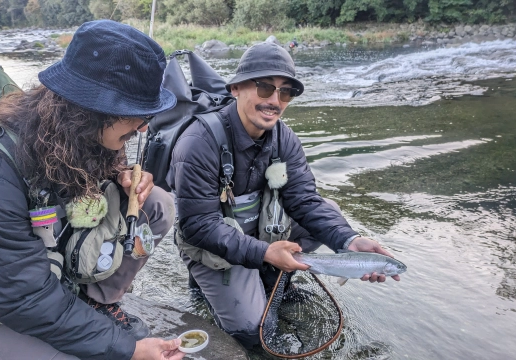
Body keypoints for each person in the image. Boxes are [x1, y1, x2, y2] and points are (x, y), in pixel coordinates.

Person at [0, 20, 183, 360]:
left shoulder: (80, 129)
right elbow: (23, 299)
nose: (145, 125)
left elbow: (101, 171)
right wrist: (128, 350)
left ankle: (98, 302)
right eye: (138, 114)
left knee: (155, 203)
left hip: (45, 252)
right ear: (89, 111)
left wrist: (124, 177)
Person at [168, 41, 400, 349]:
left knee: (329, 207)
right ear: (236, 88)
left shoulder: (284, 139)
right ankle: (209, 283)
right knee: (254, 331)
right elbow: (198, 225)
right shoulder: (198, 142)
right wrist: (265, 253)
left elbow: (304, 202)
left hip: (258, 236)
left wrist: (350, 241)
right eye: (265, 88)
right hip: (215, 243)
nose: (275, 100)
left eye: (285, 92)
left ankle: (269, 275)